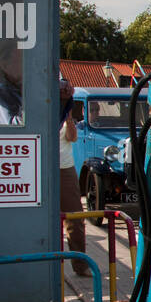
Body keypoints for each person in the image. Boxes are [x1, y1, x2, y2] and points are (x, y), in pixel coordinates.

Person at [59, 108, 88, 276]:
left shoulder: (64, 116)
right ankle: (49, 265)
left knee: (75, 218)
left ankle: (81, 265)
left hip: (64, 168)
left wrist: (68, 118)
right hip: (41, 167)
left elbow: (72, 137)